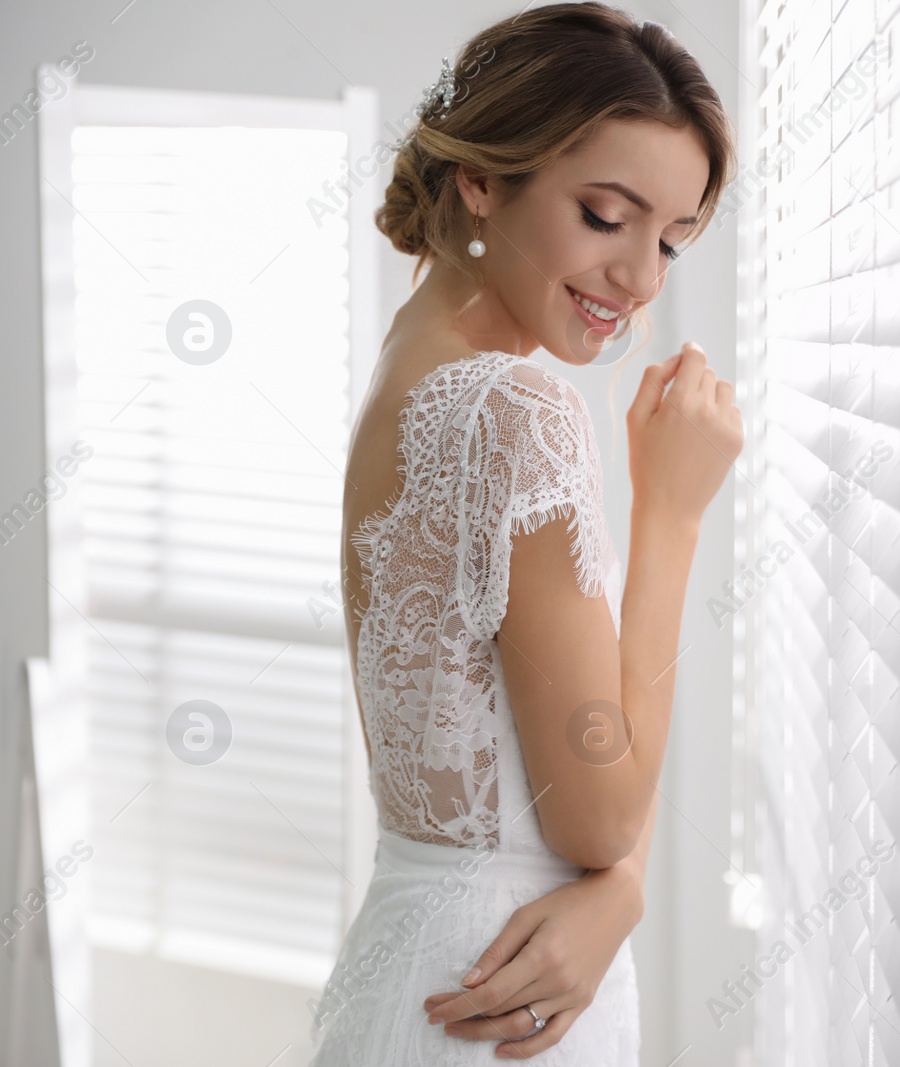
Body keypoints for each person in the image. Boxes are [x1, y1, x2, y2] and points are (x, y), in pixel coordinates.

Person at [309, 5, 740, 1063]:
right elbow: (595, 815)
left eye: (672, 239)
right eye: (605, 215)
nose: (641, 278)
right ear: (482, 180)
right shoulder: (512, 407)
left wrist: (619, 887)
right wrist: (673, 513)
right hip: (506, 999)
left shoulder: (411, 365)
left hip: (424, 963)